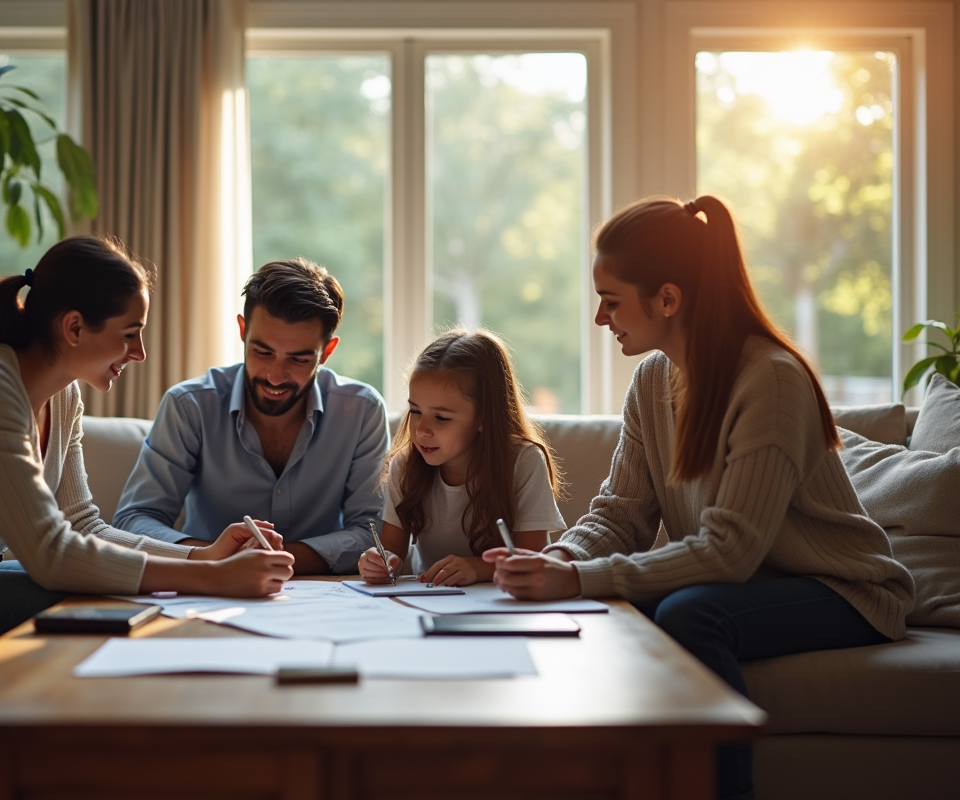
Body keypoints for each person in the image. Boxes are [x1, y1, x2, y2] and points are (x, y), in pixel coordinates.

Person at [483, 196, 914, 800]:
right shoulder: (653, 380)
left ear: (667, 298)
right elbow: (622, 512)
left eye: (611, 300)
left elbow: (730, 551)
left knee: (687, 611)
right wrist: (562, 559)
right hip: (758, 581)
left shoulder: (771, 380)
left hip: (844, 588)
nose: (600, 319)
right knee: (640, 611)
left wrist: (579, 580)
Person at [0, 236, 294, 647]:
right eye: (130, 334)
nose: (140, 353)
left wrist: (201, 555)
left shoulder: (62, 395)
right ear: (75, 327)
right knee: (79, 603)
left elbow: (82, 525)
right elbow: (50, 555)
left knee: (106, 593)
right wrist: (209, 579)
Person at [114, 258, 388, 575]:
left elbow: (374, 533)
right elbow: (133, 520)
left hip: (325, 598)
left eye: (298, 359)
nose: (275, 376)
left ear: (326, 352)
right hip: (209, 593)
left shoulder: (362, 411)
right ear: (243, 331)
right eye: (263, 352)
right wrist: (215, 557)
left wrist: (279, 557)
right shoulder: (189, 406)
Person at [358, 329, 566, 586]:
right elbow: (393, 552)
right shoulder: (405, 466)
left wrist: (478, 568)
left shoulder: (524, 462)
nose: (422, 430)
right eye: (415, 411)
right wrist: (381, 562)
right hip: (429, 601)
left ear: (483, 417)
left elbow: (532, 556)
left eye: (441, 418)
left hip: (505, 601)